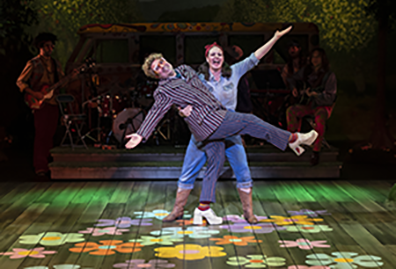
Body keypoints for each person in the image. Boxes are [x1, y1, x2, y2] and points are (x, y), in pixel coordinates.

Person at [125, 33, 318, 225]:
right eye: (157, 68)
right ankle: (292, 139)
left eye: (161, 61)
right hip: (210, 122)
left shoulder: (187, 70)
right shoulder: (166, 88)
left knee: (216, 163)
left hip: (220, 119)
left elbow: (250, 60)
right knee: (250, 121)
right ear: (207, 59)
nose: (162, 66)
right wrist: (142, 134)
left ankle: (204, 208)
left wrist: (275, 39)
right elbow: (157, 110)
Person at [164, 28, 292, 225]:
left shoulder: (233, 72)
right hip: (204, 131)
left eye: (220, 54)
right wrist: (183, 110)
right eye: (212, 54)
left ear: (223, 58)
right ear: (207, 58)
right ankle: (177, 210)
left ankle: (248, 213)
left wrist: (274, 38)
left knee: (243, 171)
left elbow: (254, 57)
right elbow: (180, 97)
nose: (216, 57)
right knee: (188, 171)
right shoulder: (197, 79)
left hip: (230, 130)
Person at [16, 33, 64, 177]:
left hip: (53, 101)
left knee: (50, 133)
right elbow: (20, 82)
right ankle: (40, 165)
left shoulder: (56, 64)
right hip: (39, 102)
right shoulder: (33, 63)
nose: (51, 48)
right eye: (48, 46)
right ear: (41, 47)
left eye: (52, 46)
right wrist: (33, 93)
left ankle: (49, 163)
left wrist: (71, 76)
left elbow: (61, 80)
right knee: (41, 134)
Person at [286, 48, 337, 166]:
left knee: (320, 118)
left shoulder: (329, 75)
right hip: (309, 104)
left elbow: (331, 97)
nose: (315, 59)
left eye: (318, 57)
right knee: (291, 111)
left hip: (322, 106)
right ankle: (294, 143)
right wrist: (294, 88)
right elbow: (292, 78)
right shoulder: (306, 71)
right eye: (313, 57)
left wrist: (317, 95)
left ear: (322, 59)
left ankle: (316, 151)